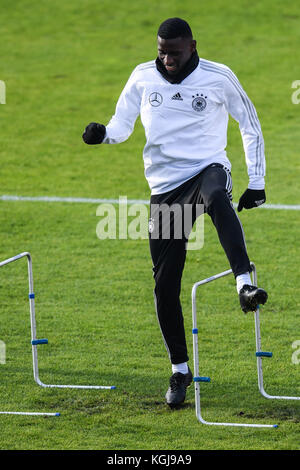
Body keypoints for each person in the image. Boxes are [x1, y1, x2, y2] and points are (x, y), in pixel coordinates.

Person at [82, 17, 268, 408]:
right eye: (162, 51)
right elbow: (123, 123)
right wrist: (104, 134)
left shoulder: (219, 77)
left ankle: (243, 285)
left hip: (206, 169)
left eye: (175, 52)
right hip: (165, 189)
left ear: (193, 46)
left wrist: (256, 181)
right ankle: (180, 370)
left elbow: (249, 123)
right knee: (166, 286)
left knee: (218, 196)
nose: (166, 59)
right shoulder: (141, 76)